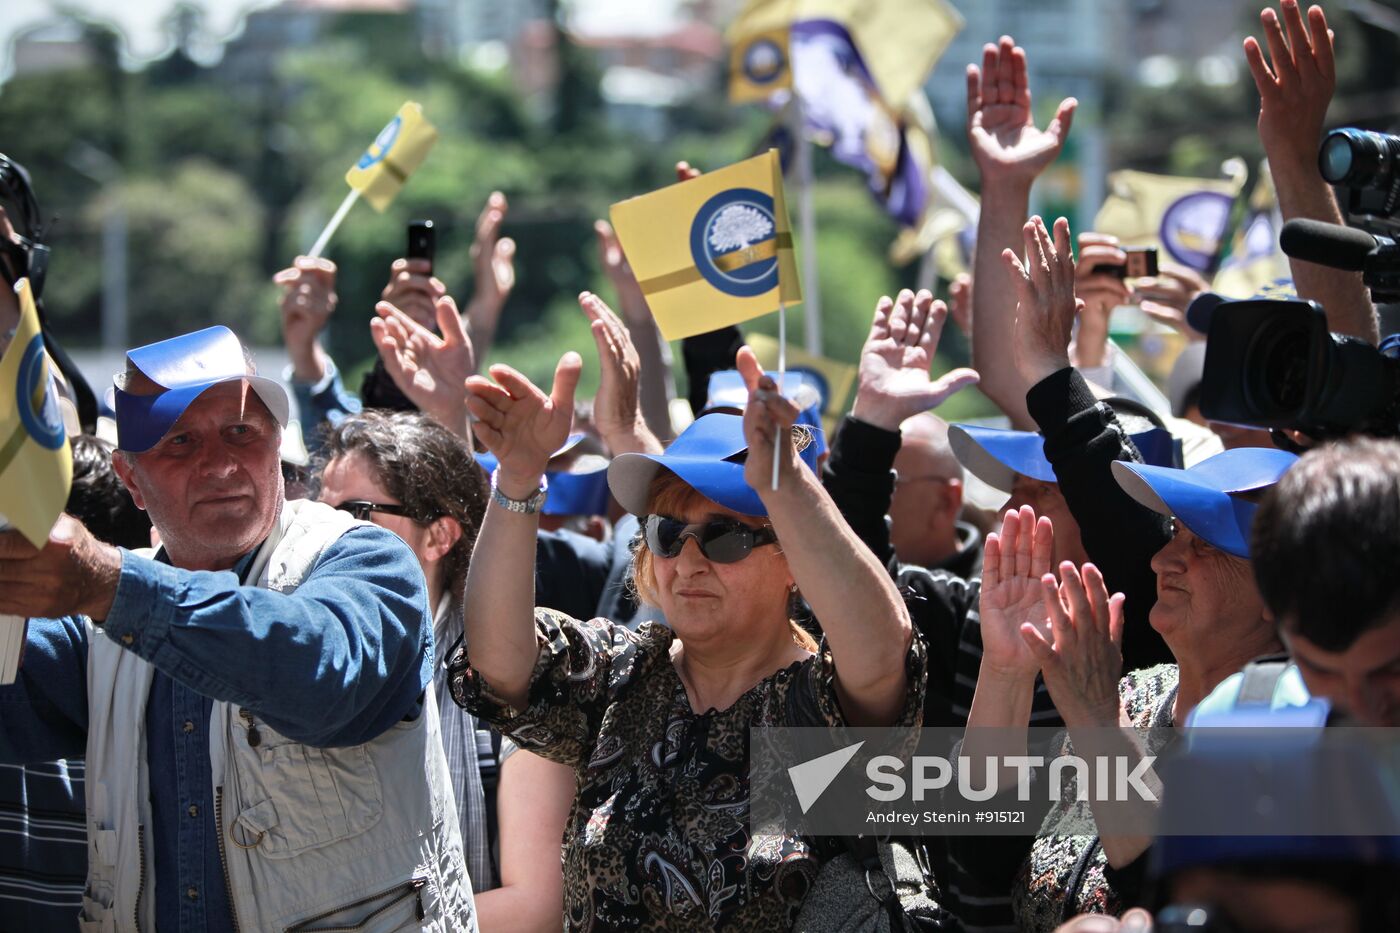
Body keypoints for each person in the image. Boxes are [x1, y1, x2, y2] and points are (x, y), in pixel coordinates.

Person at [0, 325, 475, 931]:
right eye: (180, 442)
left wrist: (111, 587)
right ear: (129, 480)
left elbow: (323, 673)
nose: (220, 463)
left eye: (241, 432)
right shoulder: (100, 620)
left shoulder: (367, 558)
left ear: (277, 444)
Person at [449, 344, 925, 928]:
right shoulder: (623, 676)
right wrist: (518, 481)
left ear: (793, 561)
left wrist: (788, 490)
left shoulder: (818, 706)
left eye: (725, 536)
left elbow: (882, 651)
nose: (690, 561)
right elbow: (498, 663)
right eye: (669, 532)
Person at [316, 409, 573, 931]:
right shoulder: (304, 661)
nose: (325, 536)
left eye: (354, 514)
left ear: (439, 537)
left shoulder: (513, 674)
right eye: (318, 515)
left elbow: (536, 906)